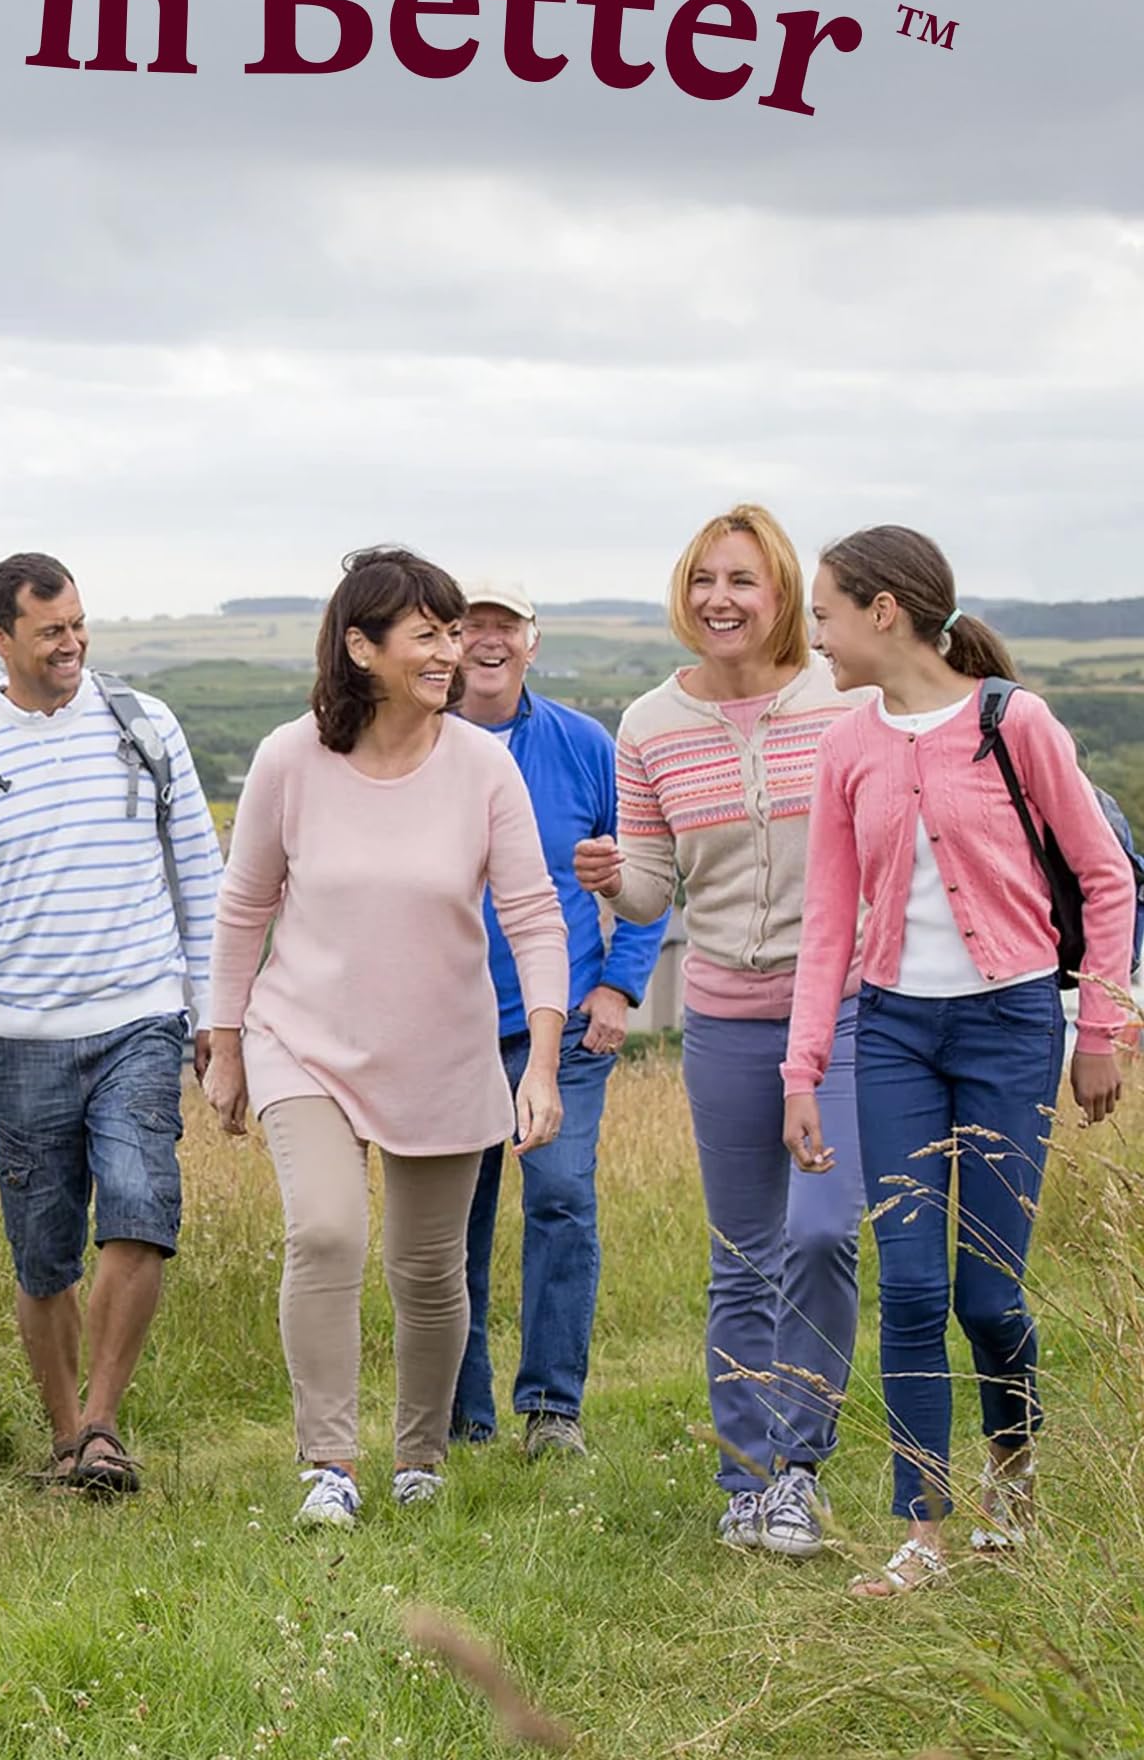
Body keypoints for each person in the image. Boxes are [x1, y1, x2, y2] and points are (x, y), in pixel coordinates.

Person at [786, 527, 1131, 1597]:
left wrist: (1100, 1034)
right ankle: (921, 1529)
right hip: (891, 1034)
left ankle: (1013, 1467)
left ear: (883, 611)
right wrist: (802, 1070)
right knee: (912, 1285)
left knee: (987, 1295)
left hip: (1011, 1029)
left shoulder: (1013, 723)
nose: (817, 636)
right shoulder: (847, 744)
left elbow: (1107, 879)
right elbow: (827, 922)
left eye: (826, 613)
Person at [205, 547, 568, 1527]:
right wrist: (226, 1040)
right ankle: (327, 1460)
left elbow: (534, 915)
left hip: (443, 1047)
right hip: (303, 1036)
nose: (449, 650)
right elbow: (244, 907)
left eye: (451, 632)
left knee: (426, 1268)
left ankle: (418, 1457)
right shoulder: (291, 758)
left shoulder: (482, 768)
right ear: (360, 647)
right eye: (427, 633)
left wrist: (539, 1058)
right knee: (325, 1230)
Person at [0, 552, 224, 1494]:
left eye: (79, 624)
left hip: (142, 1016)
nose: (72, 644)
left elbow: (202, 877)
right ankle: (63, 1441)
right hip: (22, 1037)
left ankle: (100, 1426)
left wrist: (216, 1014)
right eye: (50, 631)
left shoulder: (143, 725)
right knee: (42, 1254)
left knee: (139, 1208)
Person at [581, 503, 862, 1556]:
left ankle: (801, 1463)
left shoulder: (845, 701)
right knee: (743, 1257)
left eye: (741, 579)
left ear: (781, 592)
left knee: (824, 1231)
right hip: (724, 1015)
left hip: (841, 1008)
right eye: (703, 580)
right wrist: (620, 878)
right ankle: (747, 1479)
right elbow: (657, 892)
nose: (718, 599)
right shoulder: (649, 722)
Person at [450, 582, 670, 1458]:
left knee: (563, 1201)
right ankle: (460, 1418)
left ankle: (552, 1412)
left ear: (532, 642)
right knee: (450, 1227)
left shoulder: (585, 746)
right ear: (446, 642)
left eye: (506, 625)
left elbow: (650, 872)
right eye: (471, 626)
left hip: (567, 1027)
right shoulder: (419, 743)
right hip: (448, 1028)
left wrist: (619, 985)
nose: (489, 641)